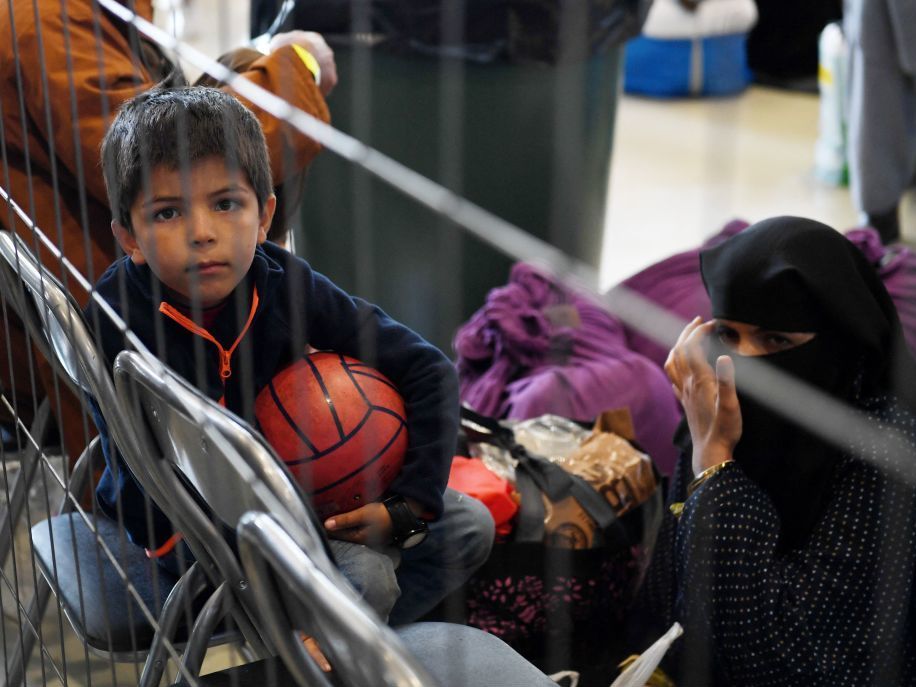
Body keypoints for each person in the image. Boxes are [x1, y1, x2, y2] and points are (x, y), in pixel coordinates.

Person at [86, 86, 494, 625]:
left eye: (226, 203)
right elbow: (144, 478)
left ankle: (312, 646)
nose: (203, 233)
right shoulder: (114, 318)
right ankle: (322, 646)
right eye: (167, 213)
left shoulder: (281, 280)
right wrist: (289, 547)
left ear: (264, 217)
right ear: (129, 236)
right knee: (366, 580)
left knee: (470, 527)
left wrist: (405, 509)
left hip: (311, 497)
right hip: (199, 532)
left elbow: (428, 368)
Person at [0, 0, 335, 464]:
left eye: (226, 205)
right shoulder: (49, 20)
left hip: (175, 325)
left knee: (239, 66)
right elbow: (155, 160)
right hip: (133, 348)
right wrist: (297, 69)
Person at [631, 216, 916, 684]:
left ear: (842, 342)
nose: (745, 362)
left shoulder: (883, 453)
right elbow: (671, 586)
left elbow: (783, 659)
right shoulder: (714, 404)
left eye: (776, 340)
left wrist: (717, 464)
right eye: (728, 335)